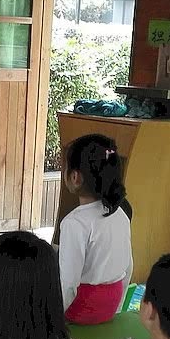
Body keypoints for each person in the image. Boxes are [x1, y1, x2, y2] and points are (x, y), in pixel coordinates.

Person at [58, 134, 133, 325]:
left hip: (81, 308)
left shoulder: (74, 222)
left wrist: (55, 320)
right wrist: (118, 307)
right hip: (112, 304)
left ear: (75, 177)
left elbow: (68, 282)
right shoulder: (120, 213)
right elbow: (128, 266)